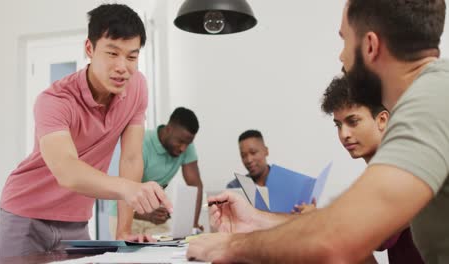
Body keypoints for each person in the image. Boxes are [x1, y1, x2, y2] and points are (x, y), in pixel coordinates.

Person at [187, 0, 449, 263]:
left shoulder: (431, 102)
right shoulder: (433, 95)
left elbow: (338, 237)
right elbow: (347, 227)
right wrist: (257, 219)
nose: (341, 56)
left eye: (344, 40)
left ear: (370, 46)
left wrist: (229, 246)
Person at [0, 4, 172, 259]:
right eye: (112, 53)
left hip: (76, 222)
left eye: (132, 57)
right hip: (26, 216)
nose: (123, 67)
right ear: (89, 49)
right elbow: (66, 170)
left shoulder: (137, 87)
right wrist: (127, 189)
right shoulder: (54, 100)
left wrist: (123, 230)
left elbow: (131, 158)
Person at [321, 76, 423, 263]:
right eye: (339, 125)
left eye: (353, 121)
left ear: (382, 120)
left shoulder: (407, 168)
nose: (344, 134)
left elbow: (370, 236)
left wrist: (316, 221)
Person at [108, 107, 204, 237]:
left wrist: (194, 224)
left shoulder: (186, 146)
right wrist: (145, 214)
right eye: (180, 142)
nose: (183, 148)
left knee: (166, 253)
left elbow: (195, 185)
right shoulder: (141, 143)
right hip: (124, 214)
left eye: (188, 143)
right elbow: (127, 190)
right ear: (168, 129)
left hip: (154, 215)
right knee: (129, 256)